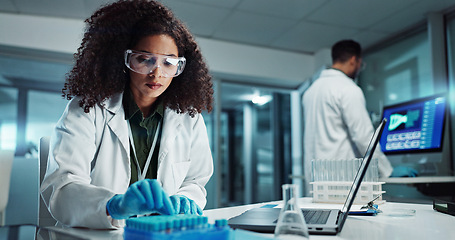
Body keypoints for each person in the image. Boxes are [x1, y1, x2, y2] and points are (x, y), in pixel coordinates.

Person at [40, 0, 214, 229]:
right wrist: (115, 205)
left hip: (159, 232)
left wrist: (187, 199)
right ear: (123, 59)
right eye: (144, 59)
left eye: (169, 63)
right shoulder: (88, 109)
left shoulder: (189, 118)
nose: (157, 73)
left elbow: (195, 181)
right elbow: (61, 189)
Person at [302, 40, 418, 194]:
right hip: (341, 181)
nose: (359, 69)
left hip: (315, 182)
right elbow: (364, 137)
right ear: (353, 60)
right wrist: (387, 170)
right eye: (360, 64)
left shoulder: (311, 91)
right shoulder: (348, 89)